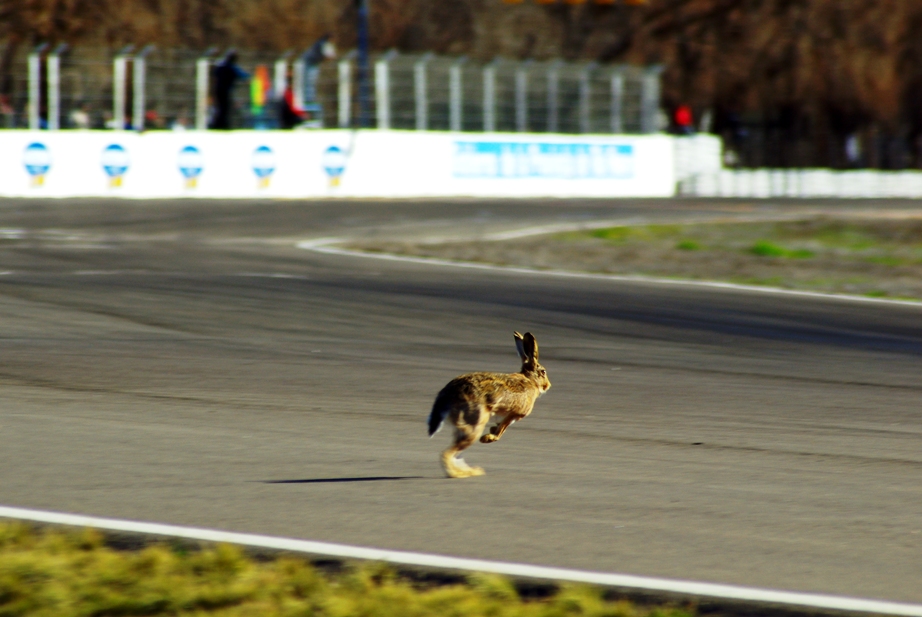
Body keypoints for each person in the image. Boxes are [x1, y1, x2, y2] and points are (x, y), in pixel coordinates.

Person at [209, 50, 249, 130]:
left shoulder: (219, 65)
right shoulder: (231, 67)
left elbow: (214, 74)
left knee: (218, 108)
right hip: (226, 91)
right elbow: (242, 75)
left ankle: (216, 124)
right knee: (225, 109)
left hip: (217, 90)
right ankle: (222, 125)